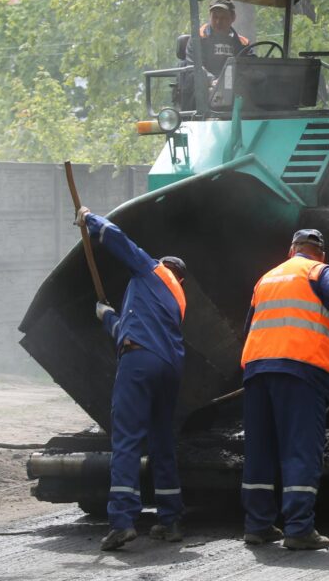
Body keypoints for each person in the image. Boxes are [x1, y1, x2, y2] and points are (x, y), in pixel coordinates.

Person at [240, 228, 329, 550]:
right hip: (301, 370)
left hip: (257, 370)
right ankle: (299, 528)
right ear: (322, 254)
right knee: (299, 446)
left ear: (291, 250)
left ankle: (257, 525)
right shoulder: (318, 272)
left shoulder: (266, 278)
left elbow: (249, 328)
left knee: (260, 448)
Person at [75, 206, 187, 551]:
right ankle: (170, 521)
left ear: (165, 268)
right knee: (162, 443)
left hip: (139, 361)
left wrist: (90, 218)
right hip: (168, 368)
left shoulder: (152, 270)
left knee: (126, 441)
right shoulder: (176, 299)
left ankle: (122, 521)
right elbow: (130, 328)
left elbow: (120, 242)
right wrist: (108, 316)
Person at [178, 0, 252, 78]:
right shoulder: (198, 38)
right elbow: (195, 67)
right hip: (203, 87)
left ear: (233, 18)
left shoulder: (242, 43)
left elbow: (252, 67)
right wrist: (211, 81)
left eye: (223, 17)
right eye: (215, 17)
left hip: (235, 87)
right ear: (210, 16)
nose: (218, 22)